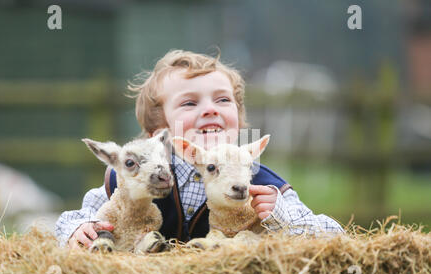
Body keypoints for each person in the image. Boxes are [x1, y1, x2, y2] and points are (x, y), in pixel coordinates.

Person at [55, 50, 344, 249]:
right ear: (161, 134)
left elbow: (335, 238)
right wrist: (78, 231)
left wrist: (281, 216)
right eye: (190, 103)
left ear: (239, 121)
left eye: (222, 101)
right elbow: (78, 217)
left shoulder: (265, 186)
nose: (209, 110)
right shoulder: (133, 178)